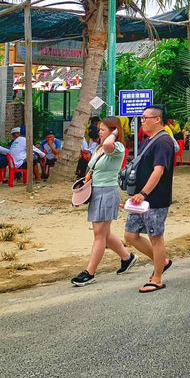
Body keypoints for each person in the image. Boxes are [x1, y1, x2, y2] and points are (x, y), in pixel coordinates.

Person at [71, 116, 137, 287]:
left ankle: (90, 272)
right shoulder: (99, 147)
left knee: (99, 234)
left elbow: (109, 145)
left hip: (107, 192)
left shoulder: (117, 147)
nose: (99, 131)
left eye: (103, 129)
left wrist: (115, 134)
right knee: (104, 235)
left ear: (113, 131)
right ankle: (127, 257)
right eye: (99, 129)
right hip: (96, 191)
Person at [124, 104, 175, 294]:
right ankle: (162, 262)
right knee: (130, 235)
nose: (142, 121)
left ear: (157, 119)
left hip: (154, 199)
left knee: (155, 237)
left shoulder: (163, 142)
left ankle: (158, 278)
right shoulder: (150, 140)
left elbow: (159, 170)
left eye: (145, 118)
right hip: (141, 200)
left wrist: (143, 193)